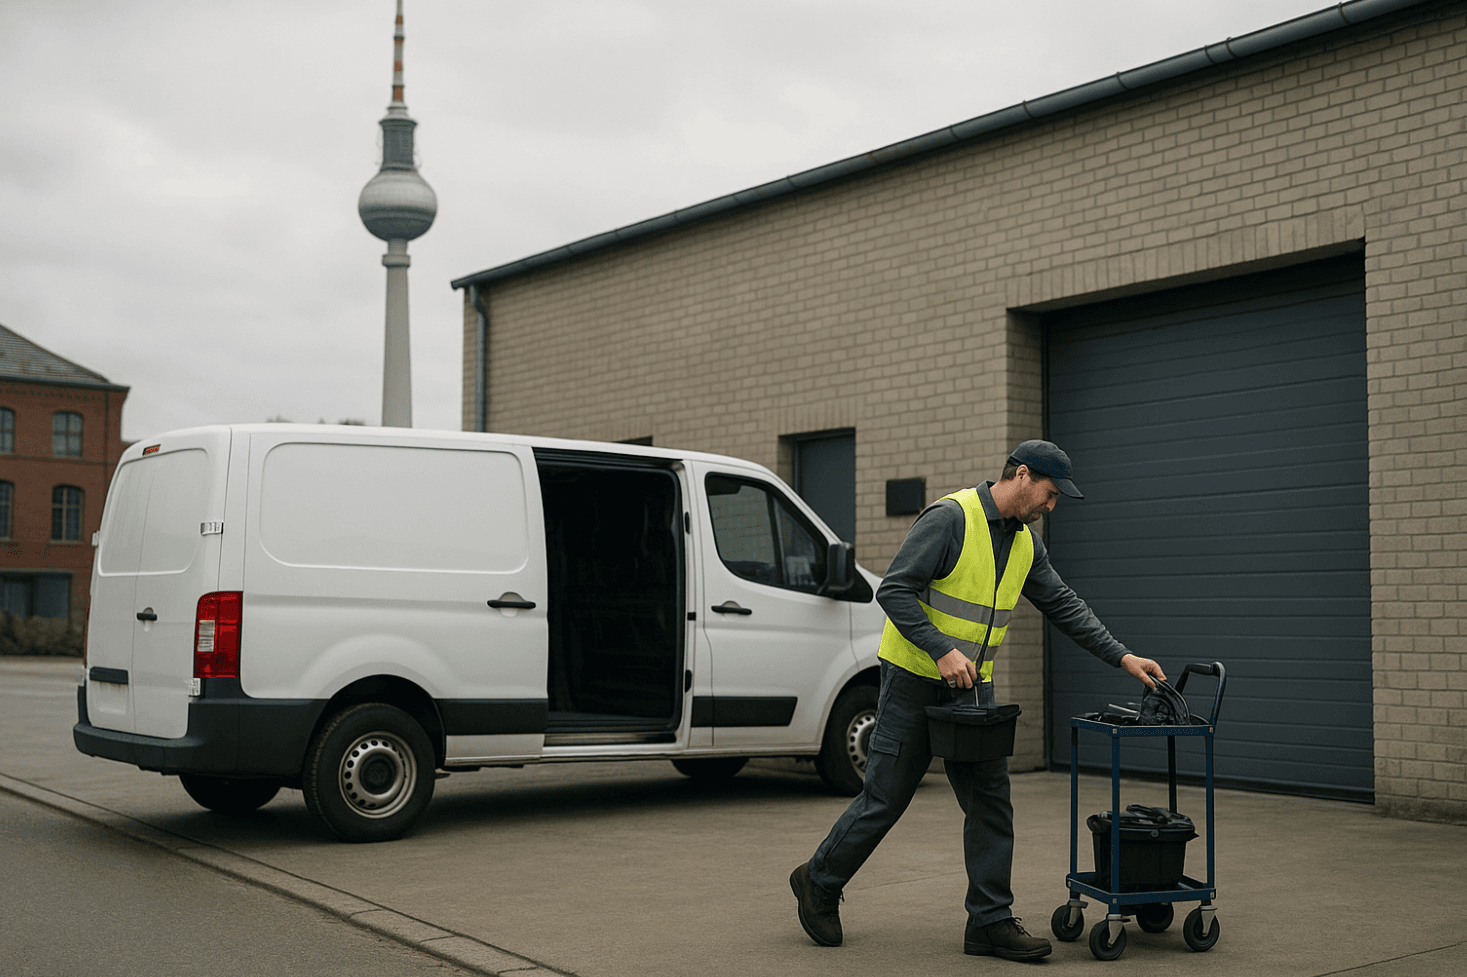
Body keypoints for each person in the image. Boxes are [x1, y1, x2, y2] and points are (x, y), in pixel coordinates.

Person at [789, 439, 1165, 962]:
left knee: (991, 802)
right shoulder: (950, 518)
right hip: (913, 682)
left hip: (972, 691)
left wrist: (1123, 658)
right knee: (886, 797)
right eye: (1050, 494)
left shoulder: (1026, 544)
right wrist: (941, 650)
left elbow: (1063, 604)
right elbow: (894, 589)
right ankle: (818, 880)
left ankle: (988, 923)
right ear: (1023, 475)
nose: (1050, 507)